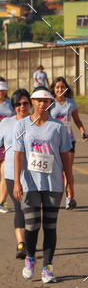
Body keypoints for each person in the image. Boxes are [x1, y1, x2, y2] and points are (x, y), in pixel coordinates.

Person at [13, 87, 73, 283]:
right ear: (32, 102)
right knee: (31, 225)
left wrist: (69, 183)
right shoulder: (22, 126)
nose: (42, 104)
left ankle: (47, 267)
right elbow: (19, 154)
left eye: (45, 101)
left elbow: (65, 156)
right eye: (38, 100)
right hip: (29, 183)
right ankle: (30, 257)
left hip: (53, 183)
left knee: (49, 226)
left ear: (50, 103)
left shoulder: (58, 127)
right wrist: (16, 182)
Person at [49, 76, 88, 209]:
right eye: (57, 87)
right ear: (53, 89)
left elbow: (77, 120)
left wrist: (83, 131)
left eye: (62, 87)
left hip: (69, 141)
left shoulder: (71, 103)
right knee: (55, 171)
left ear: (66, 88)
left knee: (68, 171)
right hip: (53, 141)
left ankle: (70, 198)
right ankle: (52, 197)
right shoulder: (49, 102)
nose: (60, 89)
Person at [0, 88, 31, 257]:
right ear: (13, 106)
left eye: (25, 103)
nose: (21, 106)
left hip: (34, 174)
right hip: (12, 173)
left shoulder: (37, 122)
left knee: (32, 210)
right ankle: (21, 244)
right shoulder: (5, 123)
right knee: (19, 207)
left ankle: (29, 240)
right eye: (18, 104)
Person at [0, 78, 14, 213]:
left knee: (4, 172)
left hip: (6, 143)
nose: (1, 92)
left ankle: (1, 202)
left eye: (3, 90)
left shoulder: (11, 104)